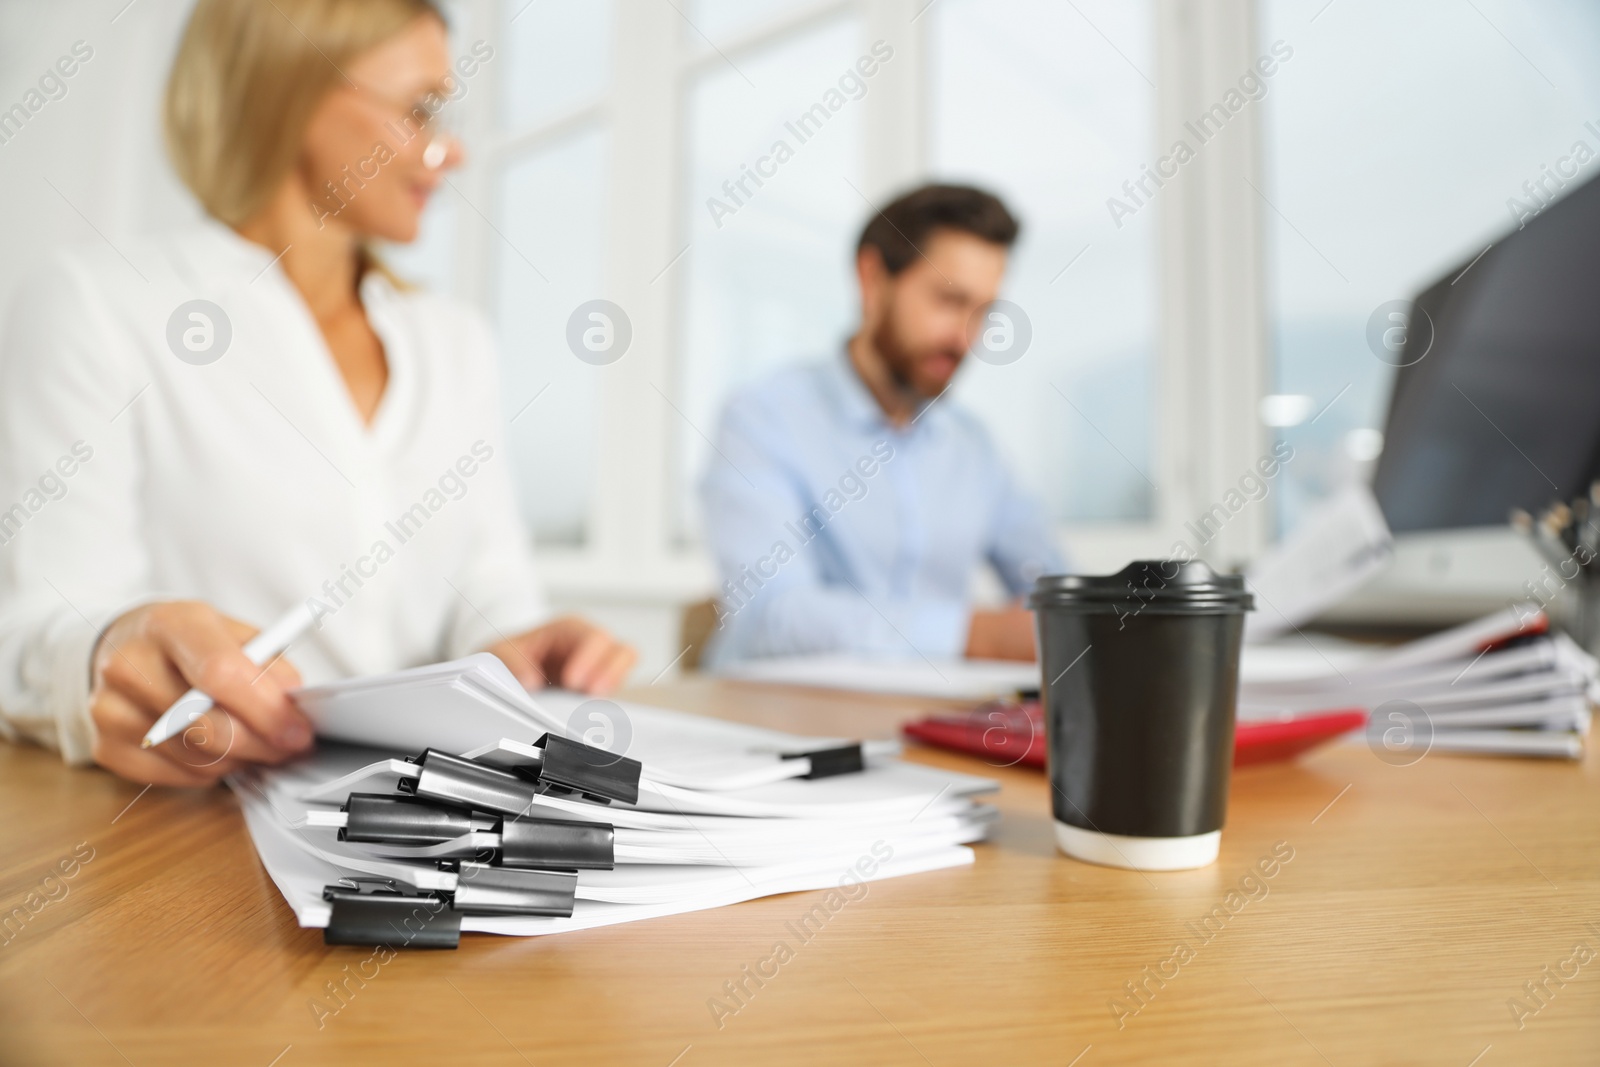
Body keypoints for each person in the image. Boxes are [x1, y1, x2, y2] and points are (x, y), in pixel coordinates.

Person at [0, 0, 635, 786]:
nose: (455, 150)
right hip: (190, 826)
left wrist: (529, 643)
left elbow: (491, 596)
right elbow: (34, 628)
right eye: (422, 108)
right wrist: (102, 652)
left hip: (418, 819)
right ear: (292, 90)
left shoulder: (454, 340)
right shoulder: (99, 304)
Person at [699, 183, 1065, 667]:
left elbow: (1052, 587)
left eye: (983, 312)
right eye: (948, 300)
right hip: (772, 716)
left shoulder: (974, 447)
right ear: (872, 279)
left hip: (923, 718)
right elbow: (773, 615)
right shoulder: (763, 417)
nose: (964, 337)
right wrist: (979, 634)